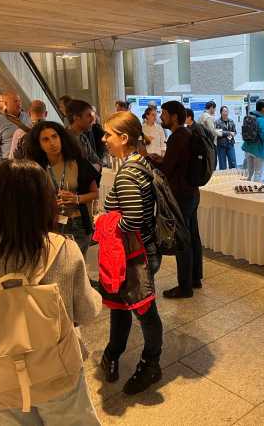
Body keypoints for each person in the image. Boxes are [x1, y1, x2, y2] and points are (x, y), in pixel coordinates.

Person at [0, 159, 101, 425]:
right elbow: (86, 312)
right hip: (58, 371)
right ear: (45, 201)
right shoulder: (63, 249)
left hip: (1, 378)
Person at [99, 111, 164, 394]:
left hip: (134, 255)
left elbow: (133, 220)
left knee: (144, 310)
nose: (104, 140)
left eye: (108, 135)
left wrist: (103, 221)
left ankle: (150, 365)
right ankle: (112, 353)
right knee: (123, 306)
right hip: (142, 249)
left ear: (124, 138)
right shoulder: (141, 163)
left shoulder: (127, 173)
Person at [26, 121, 99, 256]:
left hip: (79, 223)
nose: (52, 143)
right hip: (51, 223)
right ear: (39, 144)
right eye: (45, 139)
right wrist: (49, 203)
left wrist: (76, 198)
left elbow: (95, 193)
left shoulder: (78, 162)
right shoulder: (35, 169)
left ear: (61, 138)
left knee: (77, 263)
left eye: (55, 137)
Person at [154, 100, 202, 298]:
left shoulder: (177, 137)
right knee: (192, 236)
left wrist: (146, 157)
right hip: (191, 192)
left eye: (164, 113)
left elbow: (166, 169)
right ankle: (194, 279)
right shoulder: (188, 134)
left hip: (180, 196)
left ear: (174, 116)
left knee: (182, 240)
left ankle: (185, 287)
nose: (161, 117)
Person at [0, 92, 31, 166]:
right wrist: (2, 166)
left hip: (28, 159)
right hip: (9, 162)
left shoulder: (26, 116)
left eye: (19, 100)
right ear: (6, 104)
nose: (19, 103)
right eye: (15, 101)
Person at [67, 99, 103, 172]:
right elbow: (78, 169)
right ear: (76, 117)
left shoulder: (83, 137)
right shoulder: (65, 139)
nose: (93, 119)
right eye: (88, 115)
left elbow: (97, 161)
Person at [242, 99, 264, 182]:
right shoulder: (262, 119)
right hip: (258, 149)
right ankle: (255, 192)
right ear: (263, 108)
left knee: (250, 173)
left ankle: (247, 189)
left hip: (247, 147)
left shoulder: (249, 116)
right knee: (258, 173)